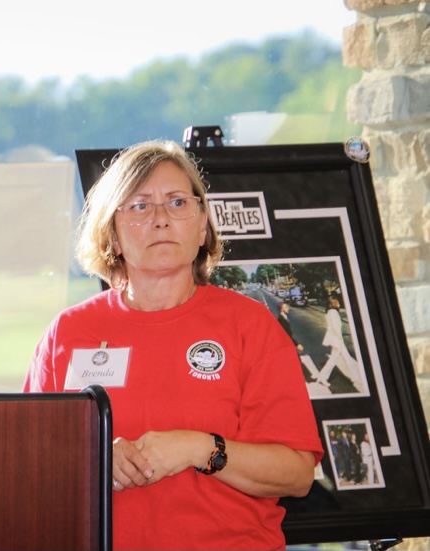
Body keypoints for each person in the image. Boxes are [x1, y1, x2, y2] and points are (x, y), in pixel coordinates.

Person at [23, 140, 323, 550]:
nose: (161, 219)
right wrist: (93, 457)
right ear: (112, 234)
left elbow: (297, 475)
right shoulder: (69, 333)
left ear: (202, 227)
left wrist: (201, 448)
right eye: (140, 206)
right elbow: (26, 463)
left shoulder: (250, 326)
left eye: (178, 202)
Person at [316, 295, 361, 390]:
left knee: (347, 358)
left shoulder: (330, 312)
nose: (339, 303)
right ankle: (323, 377)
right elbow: (335, 327)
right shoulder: (333, 312)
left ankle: (356, 377)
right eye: (337, 302)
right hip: (337, 339)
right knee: (333, 360)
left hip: (336, 339)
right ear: (333, 303)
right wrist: (340, 338)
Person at [277, 301, 322, 384]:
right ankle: (303, 378)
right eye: (286, 307)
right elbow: (287, 335)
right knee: (295, 361)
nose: (288, 308)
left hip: (287, 344)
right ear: (282, 309)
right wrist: (297, 344)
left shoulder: (283, 318)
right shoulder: (281, 320)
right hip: (287, 345)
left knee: (295, 361)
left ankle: (301, 378)